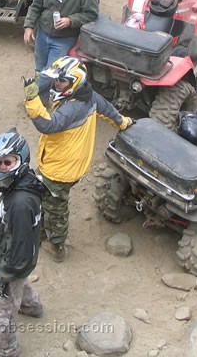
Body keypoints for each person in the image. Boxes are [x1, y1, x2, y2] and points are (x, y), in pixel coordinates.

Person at [23, 56, 133, 262]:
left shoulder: (73, 108)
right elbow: (110, 112)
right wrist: (125, 123)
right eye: (56, 80)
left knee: (56, 208)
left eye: (61, 81)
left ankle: (57, 247)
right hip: (70, 164)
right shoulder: (89, 96)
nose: (57, 84)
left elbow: (47, 124)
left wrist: (32, 100)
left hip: (60, 170)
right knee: (46, 198)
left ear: (74, 81)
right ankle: (43, 232)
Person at [0, 129, 46, 357]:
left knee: (3, 308)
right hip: (15, 256)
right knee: (22, 281)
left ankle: (5, 348)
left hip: (8, 265)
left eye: (7, 162)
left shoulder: (20, 202)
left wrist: (5, 274)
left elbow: (18, 251)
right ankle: (31, 306)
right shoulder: (22, 182)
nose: (1, 167)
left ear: (21, 160)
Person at [23, 0, 98, 75]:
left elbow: (92, 14)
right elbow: (35, 6)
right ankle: (41, 88)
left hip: (64, 39)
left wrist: (71, 20)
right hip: (42, 34)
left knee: (51, 73)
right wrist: (29, 26)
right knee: (40, 67)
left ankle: (46, 92)